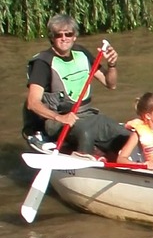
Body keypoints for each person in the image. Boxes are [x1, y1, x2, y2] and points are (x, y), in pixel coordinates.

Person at [23, 14, 130, 156]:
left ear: (74, 36)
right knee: (85, 132)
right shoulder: (43, 63)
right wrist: (60, 118)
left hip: (87, 114)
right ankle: (84, 166)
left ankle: (116, 161)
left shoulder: (81, 53)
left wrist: (112, 65)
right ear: (52, 37)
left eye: (68, 34)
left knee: (124, 135)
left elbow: (110, 83)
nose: (64, 38)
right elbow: (33, 103)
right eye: (58, 35)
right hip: (57, 120)